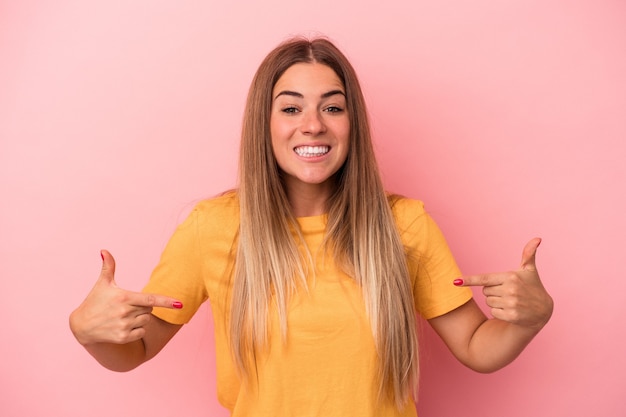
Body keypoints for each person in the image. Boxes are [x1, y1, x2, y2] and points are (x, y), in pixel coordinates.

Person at [69, 37, 554, 417]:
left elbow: (476, 347)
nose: (313, 125)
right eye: (291, 107)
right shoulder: (212, 227)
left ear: (351, 123)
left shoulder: (404, 225)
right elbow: (134, 351)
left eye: (332, 107)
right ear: (266, 123)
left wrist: (529, 320)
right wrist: (89, 332)